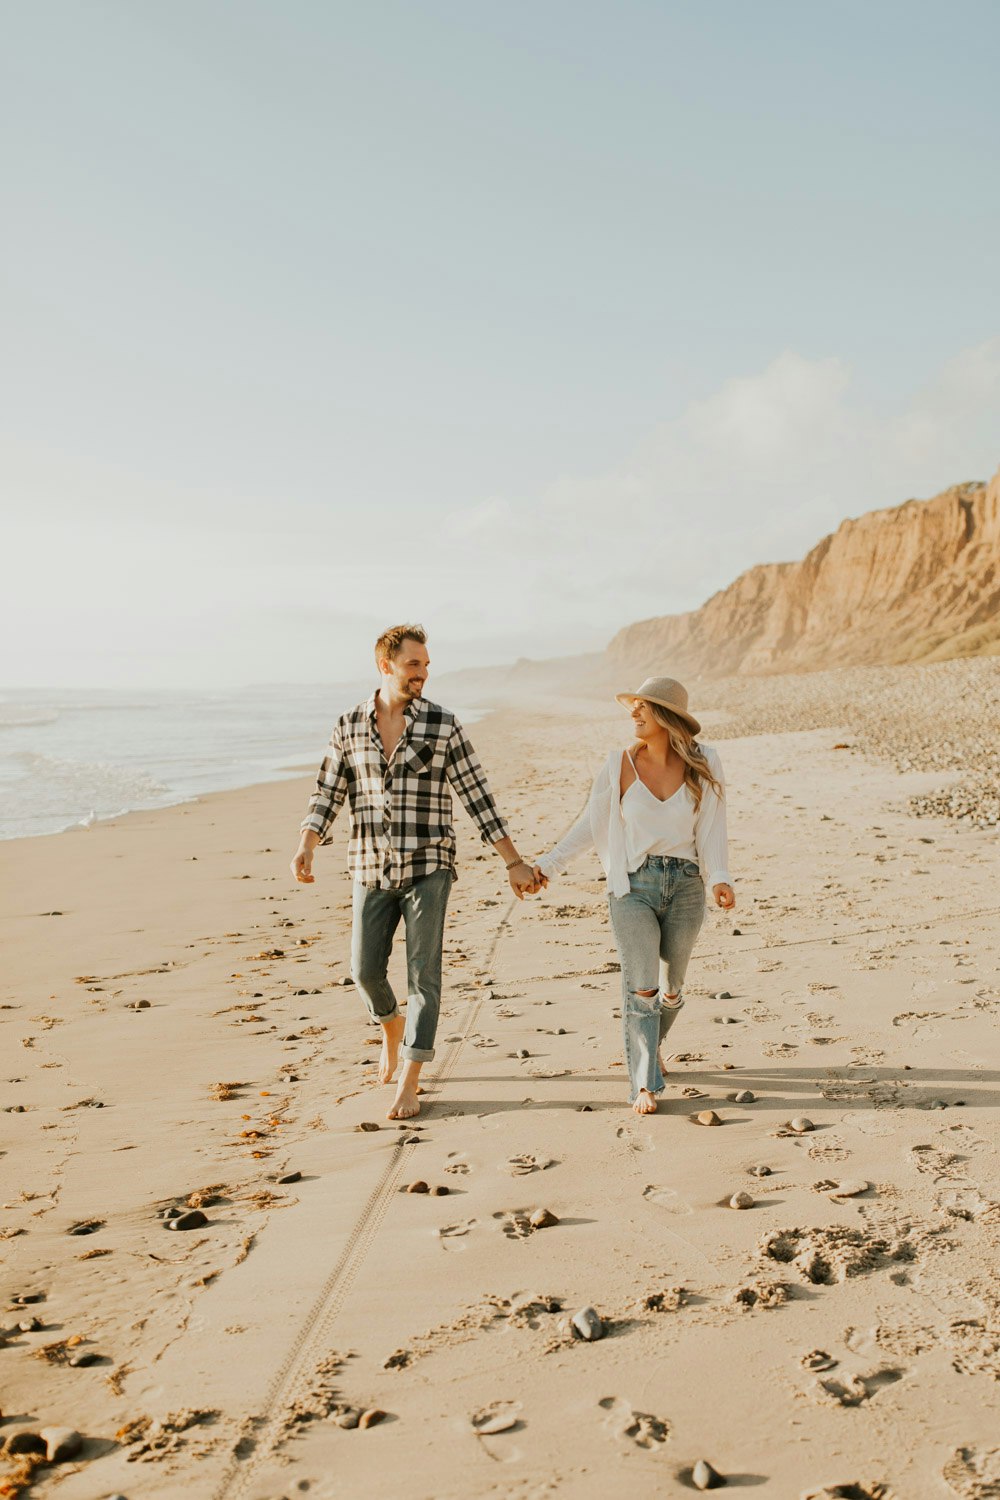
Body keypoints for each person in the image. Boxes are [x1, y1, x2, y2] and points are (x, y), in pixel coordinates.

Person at [291, 625, 539, 1121]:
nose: (422, 673)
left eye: (425, 665)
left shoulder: (442, 725)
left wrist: (512, 861)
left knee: (424, 975)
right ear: (386, 665)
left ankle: (411, 1077)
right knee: (364, 970)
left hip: (430, 864)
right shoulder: (348, 725)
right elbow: (328, 792)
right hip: (368, 864)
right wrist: (307, 843)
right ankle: (390, 1027)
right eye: (413, 664)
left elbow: (477, 795)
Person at [533, 677, 735, 1116]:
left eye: (644, 707)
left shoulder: (707, 762)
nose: (634, 714)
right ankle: (643, 1083)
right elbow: (591, 823)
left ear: (667, 717)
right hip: (632, 888)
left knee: (672, 988)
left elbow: (714, 825)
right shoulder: (618, 764)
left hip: (685, 886)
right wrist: (548, 866)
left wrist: (720, 876)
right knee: (641, 986)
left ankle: (650, 1043)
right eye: (634, 707)